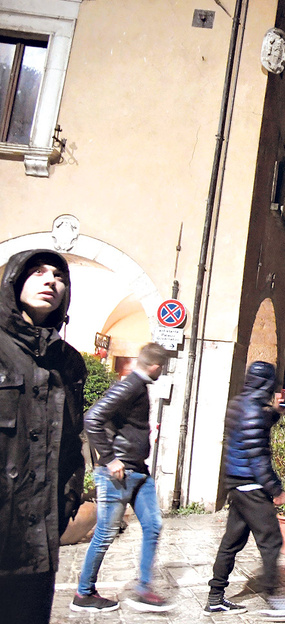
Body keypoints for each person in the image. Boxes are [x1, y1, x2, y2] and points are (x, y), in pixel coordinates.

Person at [0, 250, 87, 624]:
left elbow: (72, 441)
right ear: (15, 281)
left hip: (39, 538)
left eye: (58, 275)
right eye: (37, 272)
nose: (50, 280)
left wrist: (69, 496)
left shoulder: (68, 362)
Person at [72, 342, 172, 613]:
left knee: (153, 525)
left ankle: (144, 589)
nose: (161, 371)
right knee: (104, 534)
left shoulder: (137, 387)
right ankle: (84, 593)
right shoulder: (130, 386)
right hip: (119, 473)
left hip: (139, 471)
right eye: (161, 367)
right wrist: (109, 459)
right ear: (155, 366)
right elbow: (92, 418)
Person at [205, 361, 285, 621]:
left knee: (232, 542)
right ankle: (276, 600)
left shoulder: (239, 404)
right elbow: (257, 456)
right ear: (267, 383)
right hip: (252, 486)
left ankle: (215, 597)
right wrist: (276, 489)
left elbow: (260, 424)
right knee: (271, 541)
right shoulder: (254, 411)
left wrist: (278, 410)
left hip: (235, 485)